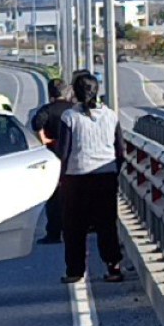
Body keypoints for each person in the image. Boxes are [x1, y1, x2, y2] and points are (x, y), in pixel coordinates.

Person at [54, 70, 130, 285]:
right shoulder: (111, 115)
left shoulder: (70, 117)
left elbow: (64, 152)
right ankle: (114, 267)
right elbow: (121, 150)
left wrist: (59, 177)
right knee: (106, 224)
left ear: (75, 93)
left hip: (76, 178)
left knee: (74, 227)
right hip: (106, 178)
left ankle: (75, 271)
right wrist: (115, 171)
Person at [30, 78, 77, 245]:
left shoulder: (47, 110)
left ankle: (54, 233)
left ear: (50, 93)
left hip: (53, 155)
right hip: (73, 155)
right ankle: (75, 230)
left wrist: (44, 138)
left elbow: (36, 124)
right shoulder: (74, 109)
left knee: (55, 197)